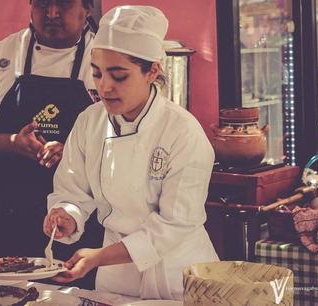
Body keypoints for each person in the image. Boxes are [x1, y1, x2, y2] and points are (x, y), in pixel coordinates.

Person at [44, 5, 219, 300]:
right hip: (115, 278)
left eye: (119, 76)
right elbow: (72, 190)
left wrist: (99, 256)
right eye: (97, 74)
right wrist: (67, 215)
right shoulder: (90, 121)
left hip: (177, 274)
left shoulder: (182, 132)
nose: (105, 87)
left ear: (152, 71)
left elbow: (174, 224)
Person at [0, 0, 103, 288]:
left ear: (87, 9)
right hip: (4, 212)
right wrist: (11, 143)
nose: (52, 13)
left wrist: (73, 152)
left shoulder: (102, 60)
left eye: (64, 4)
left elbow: (121, 140)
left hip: (75, 220)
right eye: (43, 3)